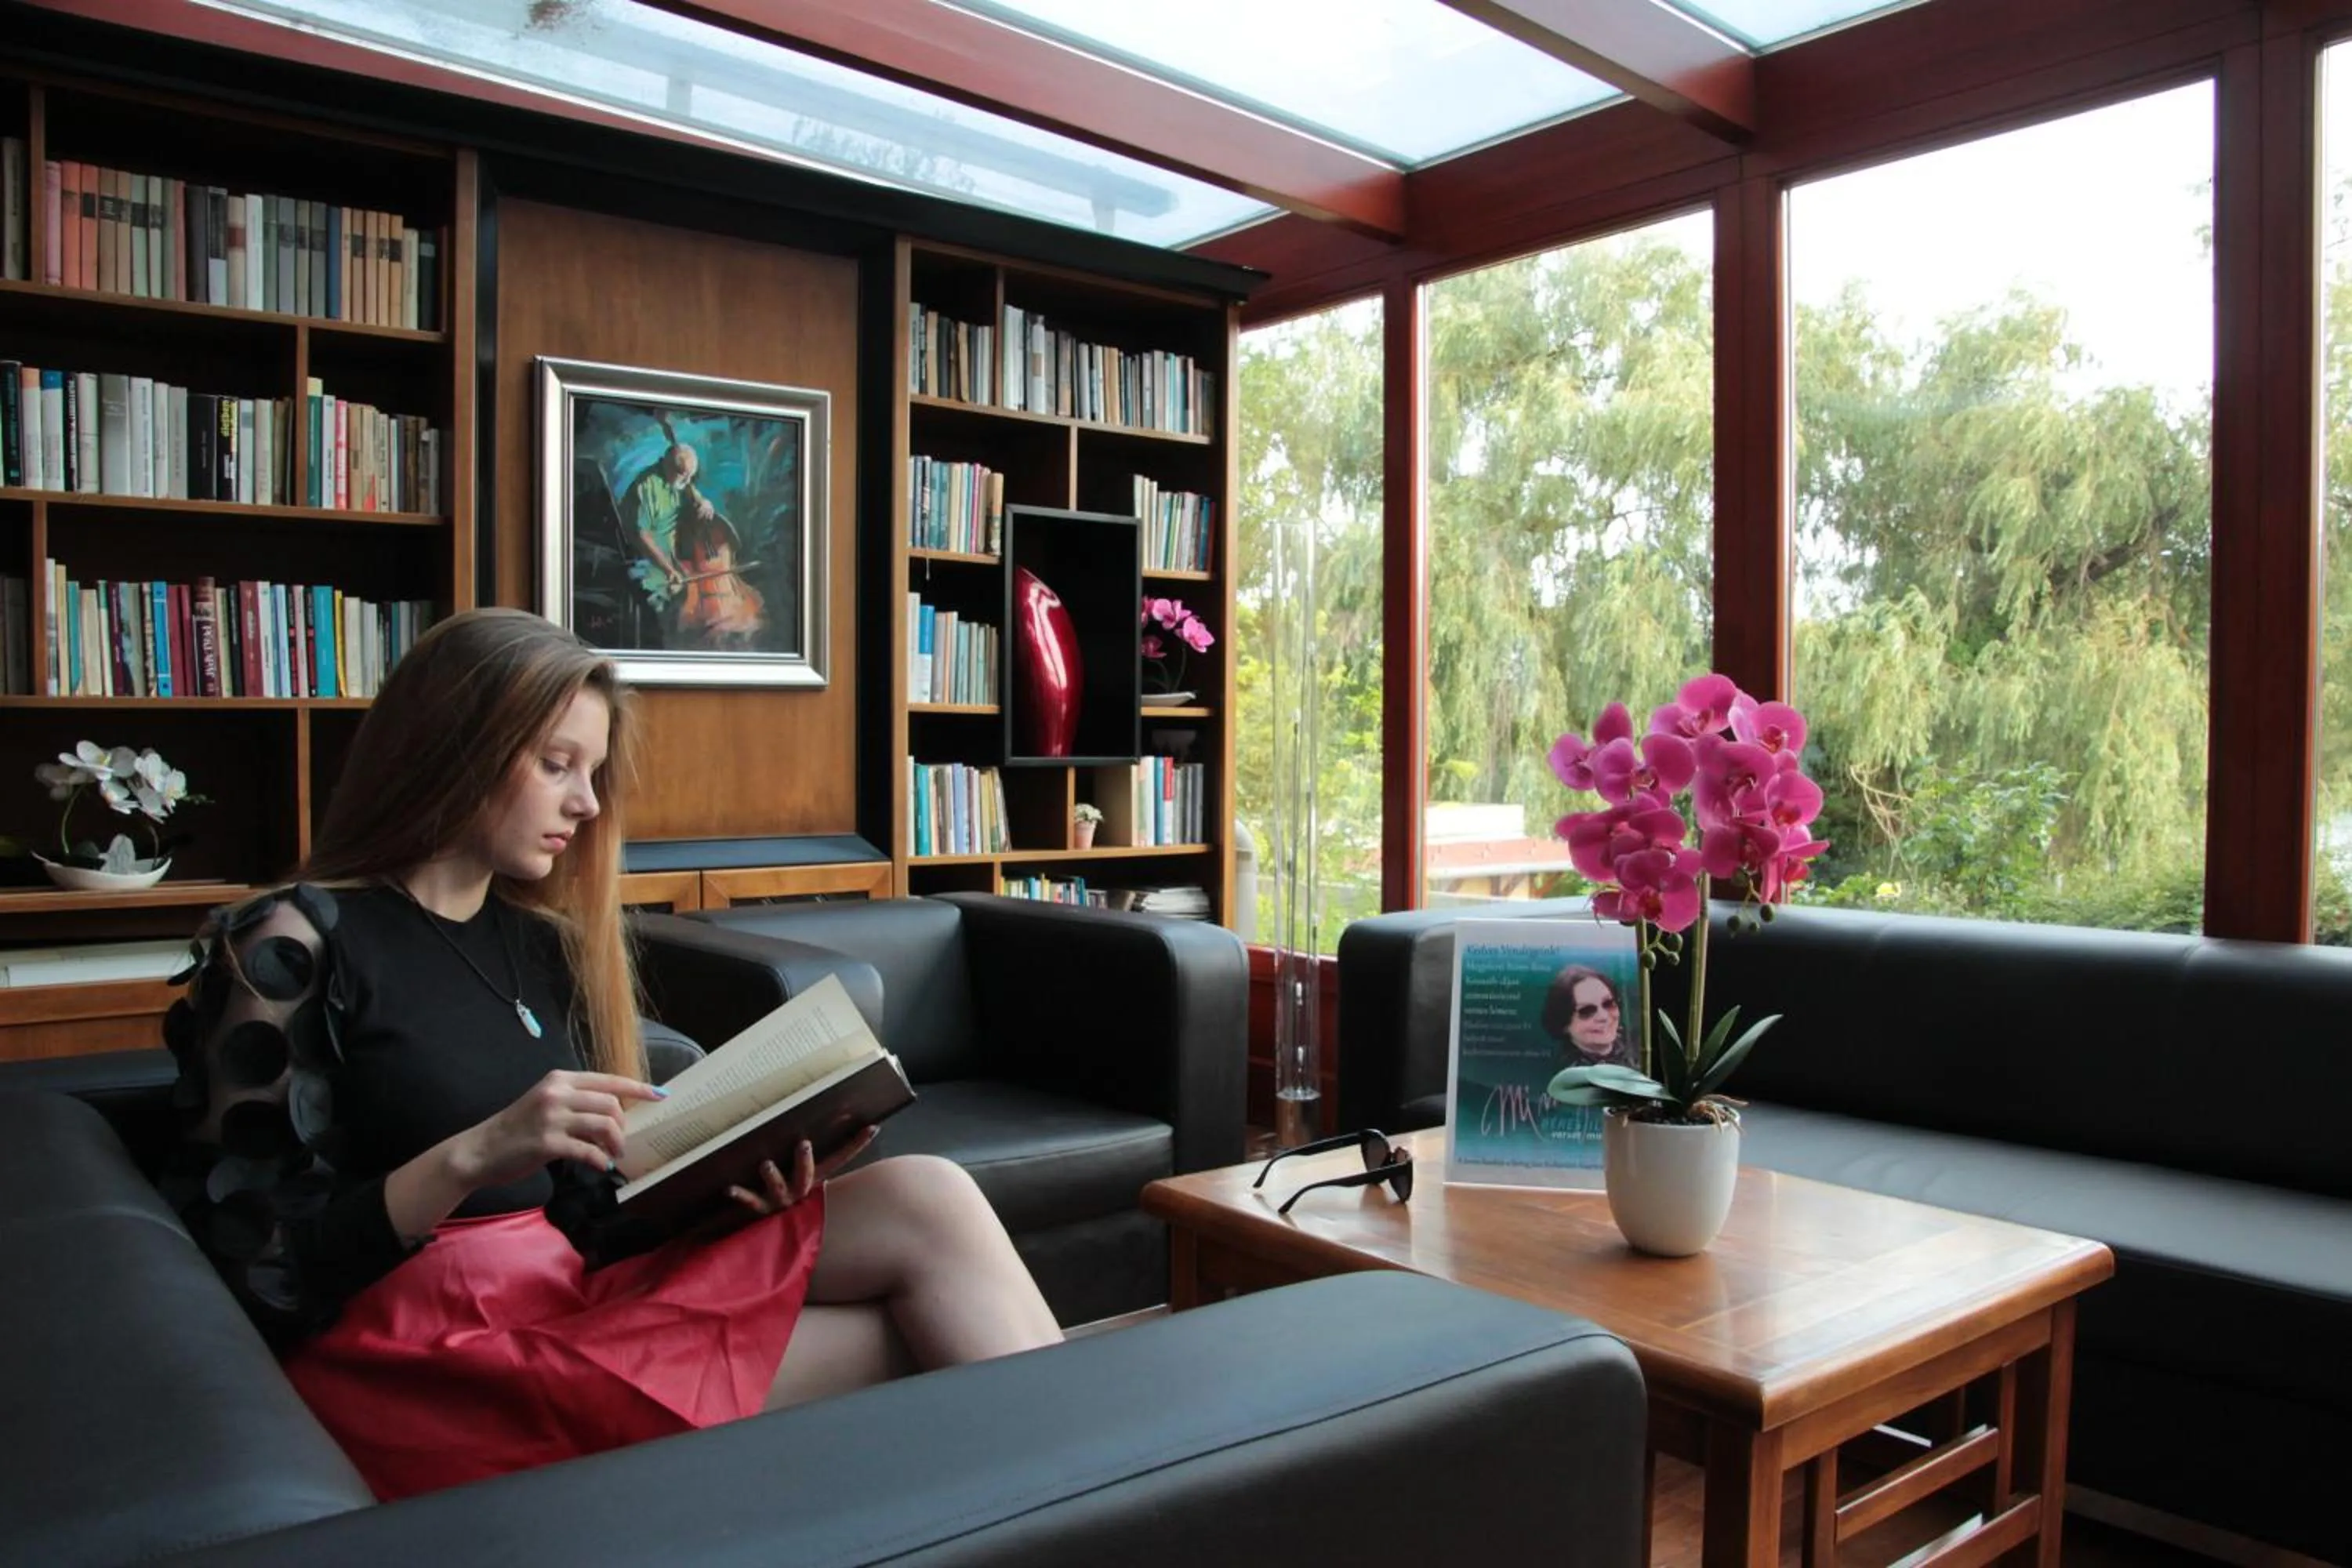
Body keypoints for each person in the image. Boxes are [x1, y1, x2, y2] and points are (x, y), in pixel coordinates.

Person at [157, 607, 1061, 1501]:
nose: (586, 803)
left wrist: (734, 1193)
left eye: (590, 772)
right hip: (429, 1356)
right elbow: (258, 1265)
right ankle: (1107, 1502)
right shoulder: (296, 940)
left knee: (927, 1191)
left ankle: (1097, 1499)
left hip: (566, 1290)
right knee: (919, 1337)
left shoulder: (539, 944)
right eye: (556, 764)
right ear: (452, 746)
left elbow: (586, 1221)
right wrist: (474, 1154)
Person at [1541, 964, 1635, 1071]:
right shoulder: (1568, 1078)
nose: (1603, 1017)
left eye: (1608, 1003)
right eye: (1587, 1011)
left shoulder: (1634, 1052)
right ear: (1564, 1024)